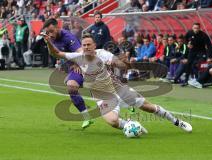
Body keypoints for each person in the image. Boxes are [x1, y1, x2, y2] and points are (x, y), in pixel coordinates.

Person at [42, 33, 192, 133]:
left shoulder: (103, 53)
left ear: (94, 45)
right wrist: (49, 42)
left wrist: (119, 63)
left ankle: (177, 122)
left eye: (89, 44)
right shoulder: (78, 56)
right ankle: (131, 126)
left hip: (118, 88)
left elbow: (119, 64)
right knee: (112, 122)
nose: (86, 47)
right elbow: (56, 53)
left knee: (149, 107)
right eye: (84, 45)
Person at [42, 18, 92, 128]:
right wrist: (48, 42)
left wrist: (77, 64)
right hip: (73, 67)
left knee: (107, 89)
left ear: (57, 27)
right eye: (47, 32)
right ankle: (86, 116)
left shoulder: (68, 37)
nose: (50, 34)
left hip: (85, 65)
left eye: (51, 31)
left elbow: (81, 53)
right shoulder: (51, 38)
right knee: (71, 87)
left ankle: (129, 102)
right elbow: (54, 54)